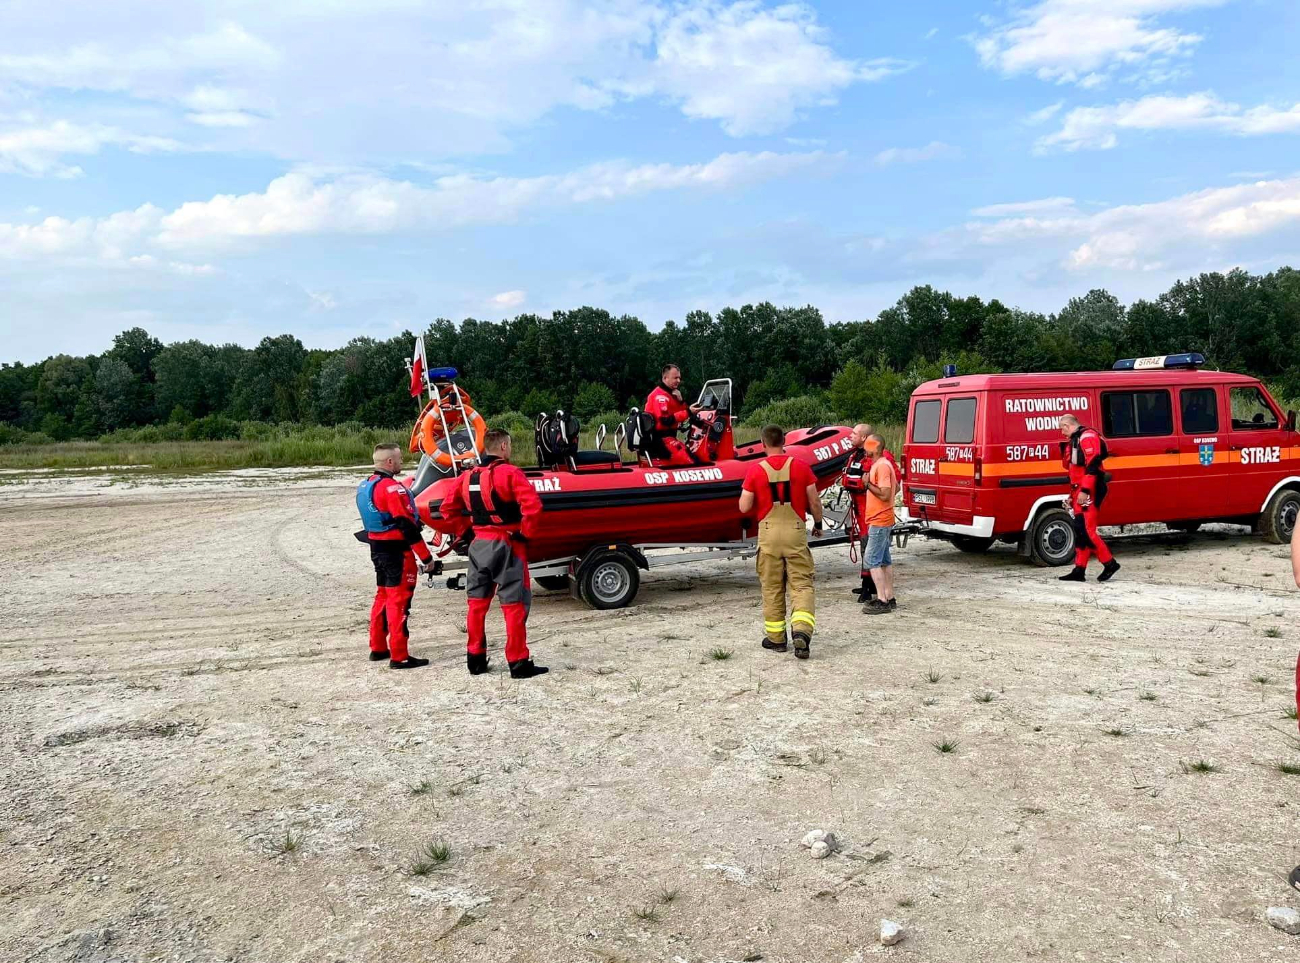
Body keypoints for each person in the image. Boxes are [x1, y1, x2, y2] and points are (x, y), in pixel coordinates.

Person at [439, 429, 548, 679]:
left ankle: (475, 659)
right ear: (502, 447)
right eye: (508, 446)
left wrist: (464, 535)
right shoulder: (510, 473)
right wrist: (525, 534)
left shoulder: (467, 477)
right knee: (514, 604)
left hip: (479, 544)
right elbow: (533, 506)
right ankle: (518, 662)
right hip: (508, 543)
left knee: (476, 604)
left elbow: (447, 508)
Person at [739, 425, 823, 659]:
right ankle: (802, 632)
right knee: (802, 585)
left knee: (772, 587)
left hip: (768, 534)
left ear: (763, 444)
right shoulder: (801, 467)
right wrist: (818, 524)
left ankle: (776, 639)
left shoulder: (755, 470)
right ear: (784, 441)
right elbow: (814, 502)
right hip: (795, 531)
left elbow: (744, 507)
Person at [355, 443, 434, 669]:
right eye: (399, 459)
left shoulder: (365, 485)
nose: (401, 462)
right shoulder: (392, 489)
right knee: (399, 602)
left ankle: (378, 647)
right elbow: (407, 526)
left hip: (377, 549)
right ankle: (400, 656)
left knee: (382, 596)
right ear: (389, 462)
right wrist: (426, 558)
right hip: (397, 552)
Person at [840, 423, 902, 601]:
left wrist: (879, 498)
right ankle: (868, 585)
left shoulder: (882, 460)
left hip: (875, 514)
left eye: (854, 433)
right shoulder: (856, 456)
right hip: (862, 511)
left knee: (872, 552)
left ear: (865, 439)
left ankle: (873, 590)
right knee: (870, 550)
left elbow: (894, 484)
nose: (850, 436)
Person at [1057, 413, 1120, 583]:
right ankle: (1079, 569)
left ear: (1067, 425)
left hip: (1089, 491)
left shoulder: (1087, 437)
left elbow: (1092, 467)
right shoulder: (1076, 439)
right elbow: (1076, 472)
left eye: (1062, 428)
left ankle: (1109, 563)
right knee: (1080, 530)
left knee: (1087, 530)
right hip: (1079, 490)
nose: (1061, 433)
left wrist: (1084, 491)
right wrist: (1072, 496)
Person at [861, 433, 899, 615]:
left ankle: (882, 600)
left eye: (867, 444)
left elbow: (885, 493)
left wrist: (867, 485)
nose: (864, 447)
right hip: (883, 518)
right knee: (884, 560)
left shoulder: (882, 466)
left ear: (875, 447)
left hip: (879, 519)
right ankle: (889, 597)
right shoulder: (885, 464)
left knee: (871, 560)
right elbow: (896, 487)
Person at [645, 363, 703, 464]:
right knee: (694, 462)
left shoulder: (670, 394)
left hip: (668, 439)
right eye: (675, 378)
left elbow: (681, 414)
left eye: (679, 378)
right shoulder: (660, 397)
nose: (678, 381)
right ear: (665, 378)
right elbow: (665, 421)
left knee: (693, 455)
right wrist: (689, 411)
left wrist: (680, 400)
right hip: (662, 441)